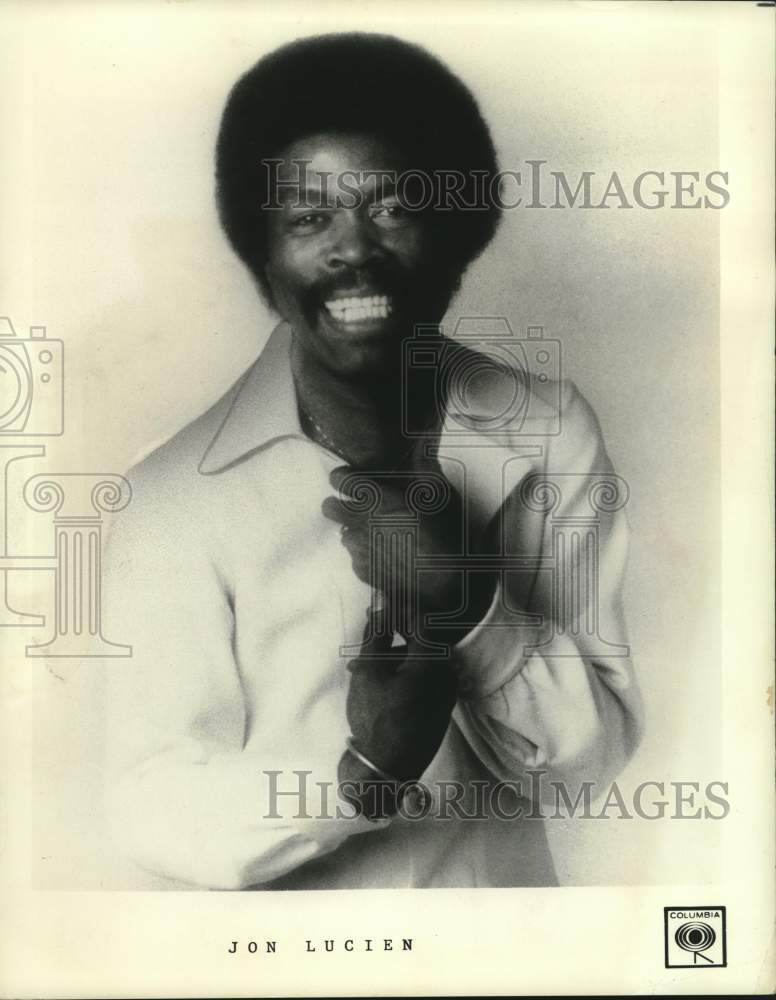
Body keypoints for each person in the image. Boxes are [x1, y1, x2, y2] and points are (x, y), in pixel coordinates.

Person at [103, 32, 643, 890]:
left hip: (510, 955)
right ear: (262, 253)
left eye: (392, 205)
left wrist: (468, 603)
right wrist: (368, 774)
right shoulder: (167, 501)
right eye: (309, 217)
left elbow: (588, 768)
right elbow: (150, 806)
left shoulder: (549, 429)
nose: (353, 248)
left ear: (459, 227)